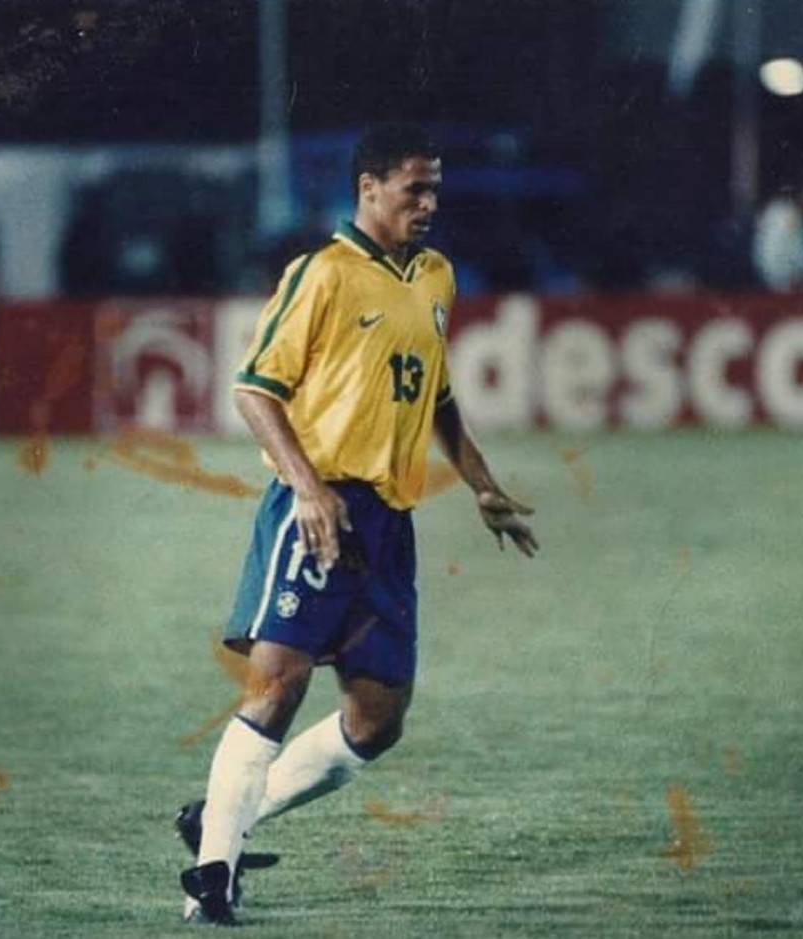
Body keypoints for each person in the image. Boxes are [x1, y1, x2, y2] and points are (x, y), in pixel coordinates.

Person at [177, 122, 539, 927]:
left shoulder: (436, 276)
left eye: (436, 188)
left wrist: (480, 483)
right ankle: (212, 878)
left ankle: (222, 820)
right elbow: (254, 388)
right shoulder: (322, 274)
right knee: (278, 684)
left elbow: (436, 394)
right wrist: (307, 488)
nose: (430, 203)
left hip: (388, 524)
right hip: (319, 507)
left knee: (377, 720)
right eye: (416, 187)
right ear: (369, 187)